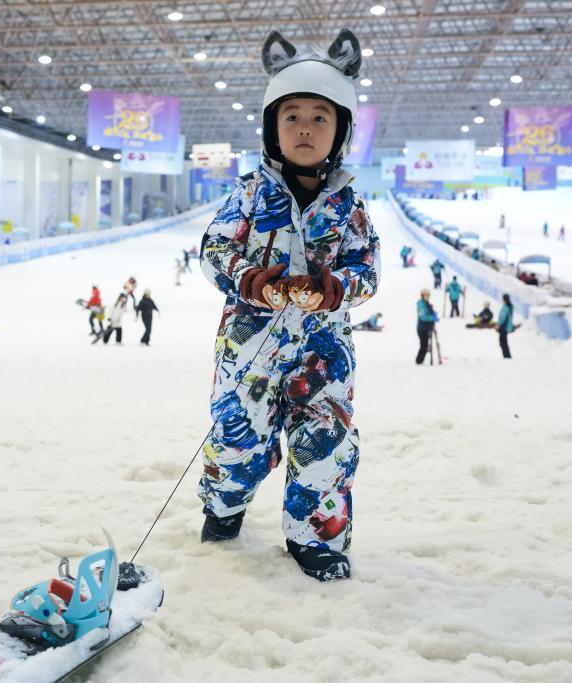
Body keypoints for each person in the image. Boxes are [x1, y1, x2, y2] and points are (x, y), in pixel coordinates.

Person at [196, 29, 380, 582]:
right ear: (272, 129)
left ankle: (315, 539)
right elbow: (214, 249)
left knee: (325, 443)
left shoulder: (349, 205)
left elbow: (367, 269)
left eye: (320, 118)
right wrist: (250, 279)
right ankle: (223, 508)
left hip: (324, 354)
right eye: (292, 116)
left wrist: (337, 287)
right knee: (238, 440)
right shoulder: (250, 193)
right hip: (250, 349)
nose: (304, 128)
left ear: (341, 131)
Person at [415, 290, 438, 364]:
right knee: (424, 344)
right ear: (422, 295)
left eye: (429, 295)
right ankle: (419, 360)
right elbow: (423, 317)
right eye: (426, 295)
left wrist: (434, 314)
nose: (428, 297)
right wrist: (432, 318)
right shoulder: (421, 305)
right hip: (422, 327)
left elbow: (430, 311)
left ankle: (420, 360)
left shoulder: (426, 303)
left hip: (427, 327)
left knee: (425, 344)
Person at [497, 294, 514, 359]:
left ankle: (507, 356)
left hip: (504, 326)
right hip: (507, 326)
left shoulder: (506, 307)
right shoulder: (510, 306)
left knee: (503, 342)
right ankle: (507, 356)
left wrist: (498, 324)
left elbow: (503, 317)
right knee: (504, 341)